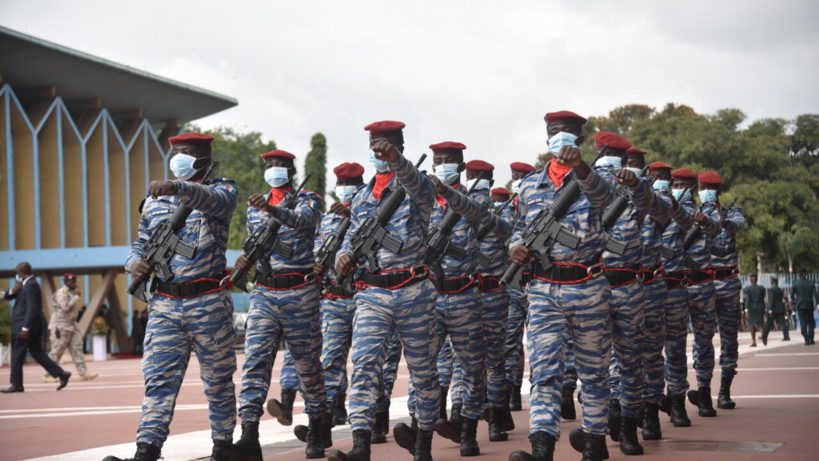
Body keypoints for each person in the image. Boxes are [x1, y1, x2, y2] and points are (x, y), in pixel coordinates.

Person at [105, 132, 239, 461]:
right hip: (165, 303)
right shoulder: (154, 200)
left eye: (187, 153)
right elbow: (141, 242)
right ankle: (146, 451)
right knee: (158, 378)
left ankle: (223, 446)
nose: (178, 159)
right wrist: (134, 264)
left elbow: (214, 202)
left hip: (207, 300)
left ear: (204, 158)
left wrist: (179, 188)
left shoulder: (223, 189)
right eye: (175, 153)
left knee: (218, 381)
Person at [330, 120, 441, 461]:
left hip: (413, 291)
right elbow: (351, 237)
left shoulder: (416, 185)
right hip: (373, 294)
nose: (378, 150)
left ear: (399, 148)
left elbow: (417, 185)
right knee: (364, 365)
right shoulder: (363, 196)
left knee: (423, 371)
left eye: (386, 145)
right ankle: (361, 445)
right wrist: (343, 255)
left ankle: (423, 444)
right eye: (374, 145)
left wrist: (397, 162)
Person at [508, 111, 613, 461]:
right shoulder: (529, 185)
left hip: (587, 286)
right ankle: (542, 447)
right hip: (544, 289)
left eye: (568, 133)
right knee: (544, 370)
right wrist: (516, 247)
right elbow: (520, 226)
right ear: (547, 138)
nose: (561, 138)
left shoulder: (595, 178)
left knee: (593, 372)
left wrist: (582, 168)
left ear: (579, 140)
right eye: (555, 132)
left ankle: (596, 442)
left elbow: (605, 201)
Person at [232, 149, 329, 461]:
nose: (275, 169)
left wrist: (273, 210)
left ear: (291, 169)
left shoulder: (308, 198)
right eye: (270, 165)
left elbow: (303, 221)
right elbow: (257, 241)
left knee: (307, 366)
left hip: (300, 292)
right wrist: (248, 258)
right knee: (255, 362)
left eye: (280, 165)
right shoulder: (255, 207)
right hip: (264, 291)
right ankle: (249, 433)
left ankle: (317, 425)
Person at [701, 171, 745, 410]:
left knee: (729, 338)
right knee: (703, 338)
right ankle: (704, 390)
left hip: (728, 283)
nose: (704, 191)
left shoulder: (731, 213)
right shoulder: (697, 212)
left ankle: (724, 391)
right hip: (705, 282)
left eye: (707, 187)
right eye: (702, 187)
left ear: (716, 190)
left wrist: (721, 222)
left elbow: (738, 225)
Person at [1, 262, 72, 393]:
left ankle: (17, 384)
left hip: (26, 327)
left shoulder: (31, 285)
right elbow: (7, 297)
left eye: (17, 273)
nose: (16, 275)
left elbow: (32, 309)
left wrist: (25, 328)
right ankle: (61, 374)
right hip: (28, 326)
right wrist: (12, 290)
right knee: (37, 353)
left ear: (23, 272)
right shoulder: (23, 285)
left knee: (16, 355)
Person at [503, 162, 537, 414]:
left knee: (538, 343)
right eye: (514, 176)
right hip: (514, 285)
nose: (517, 180)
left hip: (537, 283)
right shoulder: (506, 209)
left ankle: (544, 392)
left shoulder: (539, 204)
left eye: (521, 176)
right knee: (511, 342)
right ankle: (513, 390)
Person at [43, 273, 98, 383]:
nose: (74, 284)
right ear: (66, 282)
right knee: (56, 351)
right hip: (61, 327)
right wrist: (77, 297)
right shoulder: (61, 293)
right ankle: (48, 374)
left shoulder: (69, 294)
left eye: (75, 281)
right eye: (72, 282)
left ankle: (83, 373)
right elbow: (65, 307)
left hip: (72, 327)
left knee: (77, 349)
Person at [792, 268, 819, 345]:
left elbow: (791, 295)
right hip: (809, 305)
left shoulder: (795, 283)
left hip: (800, 305)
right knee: (810, 321)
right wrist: (818, 304)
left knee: (802, 322)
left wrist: (795, 302)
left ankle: (806, 338)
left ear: (799, 274)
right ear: (805, 273)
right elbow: (815, 295)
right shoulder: (810, 283)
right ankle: (811, 338)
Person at [762, 277, 790, 344]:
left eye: (771, 281)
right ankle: (786, 336)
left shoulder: (772, 289)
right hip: (780, 308)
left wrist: (770, 310)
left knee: (768, 323)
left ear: (773, 282)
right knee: (783, 323)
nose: (770, 282)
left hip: (774, 309)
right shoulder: (779, 289)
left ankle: (764, 336)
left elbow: (771, 300)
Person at [742, 274, 766, 347]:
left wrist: (746, 310)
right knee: (760, 323)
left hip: (751, 307)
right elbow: (762, 299)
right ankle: (763, 336)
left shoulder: (747, 289)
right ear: (757, 279)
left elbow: (747, 300)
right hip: (760, 306)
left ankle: (754, 341)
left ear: (750, 279)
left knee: (751, 324)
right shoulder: (762, 288)